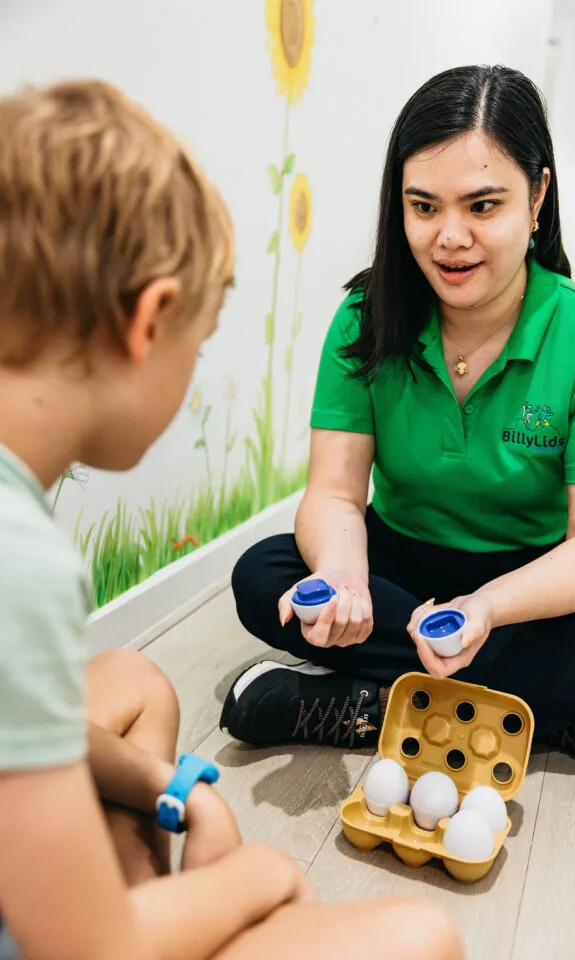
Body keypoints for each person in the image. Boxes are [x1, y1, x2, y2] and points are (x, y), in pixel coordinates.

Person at [0, 80, 462, 960]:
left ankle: (142, 891)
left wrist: (188, 789)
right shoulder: (20, 563)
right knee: (420, 936)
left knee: (136, 678)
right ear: (151, 321)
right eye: (200, 345)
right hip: (75, 937)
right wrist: (265, 877)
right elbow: (91, 947)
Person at [223, 64, 575, 785]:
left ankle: (366, 705)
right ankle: (559, 714)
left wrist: (484, 610)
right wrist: (346, 581)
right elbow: (334, 495)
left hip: (525, 586)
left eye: (483, 206)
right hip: (400, 566)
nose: (450, 238)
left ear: (537, 195)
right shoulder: (365, 319)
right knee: (264, 576)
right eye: (424, 207)